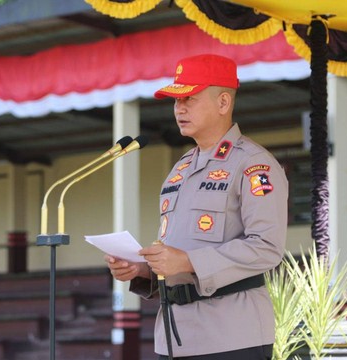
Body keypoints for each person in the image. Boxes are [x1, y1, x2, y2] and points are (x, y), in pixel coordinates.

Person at [105, 53, 288, 360]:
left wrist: (188, 262)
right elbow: (177, 252)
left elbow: (267, 248)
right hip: (175, 337)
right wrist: (142, 270)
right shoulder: (181, 169)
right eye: (176, 101)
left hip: (230, 336)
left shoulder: (253, 164)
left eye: (190, 98)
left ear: (223, 103)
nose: (180, 108)